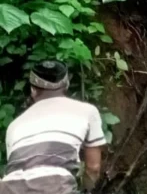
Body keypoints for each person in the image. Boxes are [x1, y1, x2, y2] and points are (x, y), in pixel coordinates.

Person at [1, 61, 104, 194]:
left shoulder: (14, 126)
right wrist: (88, 190)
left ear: (33, 90)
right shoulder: (87, 111)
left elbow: (16, 170)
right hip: (55, 186)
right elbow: (93, 167)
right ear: (66, 85)